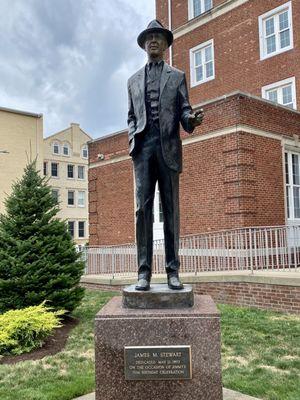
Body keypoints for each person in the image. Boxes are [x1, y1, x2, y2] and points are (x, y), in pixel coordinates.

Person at [127, 20, 203, 291]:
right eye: (149, 38)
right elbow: (131, 116)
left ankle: (173, 271)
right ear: (144, 45)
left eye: (158, 37)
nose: (153, 41)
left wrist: (191, 120)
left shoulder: (177, 76)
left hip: (168, 147)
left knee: (171, 211)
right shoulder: (133, 81)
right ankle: (143, 272)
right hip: (143, 149)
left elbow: (185, 110)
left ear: (166, 43)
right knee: (142, 211)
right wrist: (131, 140)